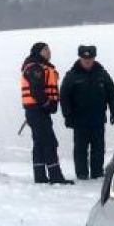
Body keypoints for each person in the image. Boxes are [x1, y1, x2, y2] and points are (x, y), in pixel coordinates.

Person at [60, 45, 114, 180]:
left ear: (94, 58)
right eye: (85, 58)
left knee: (98, 148)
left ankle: (97, 172)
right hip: (79, 120)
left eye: (90, 58)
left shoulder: (102, 74)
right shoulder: (72, 75)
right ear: (80, 58)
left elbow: (111, 93)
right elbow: (64, 96)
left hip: (98, 119)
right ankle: (82, 173)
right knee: (80, 149)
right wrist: (67, 115)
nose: (87, 61)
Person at [21, 42, 74, 185]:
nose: (49, 52)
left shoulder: (38, 66)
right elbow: (36, 90)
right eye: (46, 50)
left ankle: (40, 176)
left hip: (37, 111)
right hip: (37, 111)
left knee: (39, 143)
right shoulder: (35, 67)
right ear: (38, 52)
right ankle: (55, 176)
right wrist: (47, 104)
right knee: (50, 142)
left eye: (49, 49)